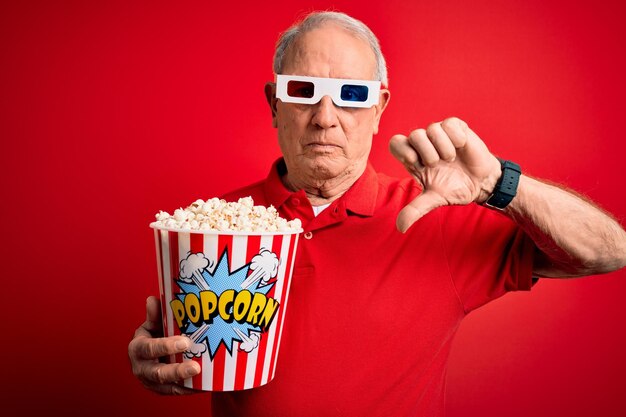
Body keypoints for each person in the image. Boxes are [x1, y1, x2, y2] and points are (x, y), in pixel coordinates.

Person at [128, 11, 626, 417]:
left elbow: (610, 251)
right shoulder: (211, 227)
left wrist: (500, 185)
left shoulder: (432, 218)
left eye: (351, 94)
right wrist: (164, 358)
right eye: (303, 92)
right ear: (274, 103)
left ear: (379, 107)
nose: (326, 117)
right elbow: (191, 344)